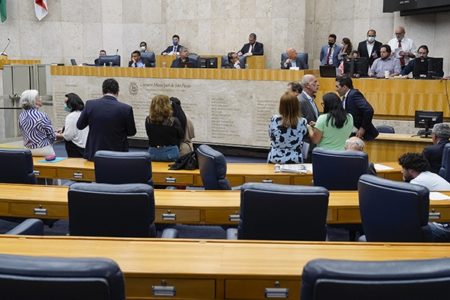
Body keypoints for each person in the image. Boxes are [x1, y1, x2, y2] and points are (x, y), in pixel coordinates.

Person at [77, 78, 137, 161]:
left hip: (95, 153)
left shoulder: (90, 105)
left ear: (103, 91)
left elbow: (79, 126)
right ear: (117, 91)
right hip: (118, 155)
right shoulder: (126, 109)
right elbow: (132, 132)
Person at [398, 152, 450, 242]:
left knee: (408, 226)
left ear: (410, 170)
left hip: (445, 228)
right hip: (444, 220)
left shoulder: (417, 183)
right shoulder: (431, 175)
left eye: (403, 169)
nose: (401, 171)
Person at [268, 92, 308, 164]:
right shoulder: (303, 121)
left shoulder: (274, 119)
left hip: (275, 158)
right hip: (294, 158)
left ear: (281, 105)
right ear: (296, 105)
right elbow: (303, 135)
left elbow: (271, 136)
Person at [335, 75, 379, 140]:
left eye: (337, 87)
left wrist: (362, 128)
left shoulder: (353, 95)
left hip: (363, 135)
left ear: (344, 87)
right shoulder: (346, 97)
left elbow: (369, 110)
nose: (336, 89)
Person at [145, 95, 185, 162]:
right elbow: (181, 135)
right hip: (171, 154)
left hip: (152, 154)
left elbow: (149, 134)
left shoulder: (148, 120)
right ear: (167, 105)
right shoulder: (173, 121)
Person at [18, 90, 56, 156]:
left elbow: (22, 131)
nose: (41, 99)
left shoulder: (21, 116)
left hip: (27, 150)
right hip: (44, 149)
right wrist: (51, 142)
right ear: (33, 101)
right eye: (38, 97)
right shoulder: (42, 115)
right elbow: (51, 134)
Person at [56, 93, 89, 158]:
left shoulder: (71, 116)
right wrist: (63, 129)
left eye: (66, 103)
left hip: (76, 149)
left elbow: (68, 136)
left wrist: (56, 135)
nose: (64, 105)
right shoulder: (85, 113)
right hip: (87, 147)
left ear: (71, 104)